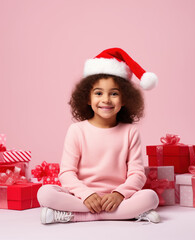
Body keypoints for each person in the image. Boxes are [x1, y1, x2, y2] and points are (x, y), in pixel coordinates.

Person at [37, 48, 160, 224]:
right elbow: (66, 173)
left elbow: (137, 174)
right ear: (87, 98)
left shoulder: (130, 132)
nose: (106, 100)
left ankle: (74, 216)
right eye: (99, 93)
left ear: (125, 99)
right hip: (81, 196)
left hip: (119, 199)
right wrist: (87, 194)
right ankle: (128, 215)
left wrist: (119, 194)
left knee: (150, 197)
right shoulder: (77, 130)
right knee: (45, 193)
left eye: (114, 93)